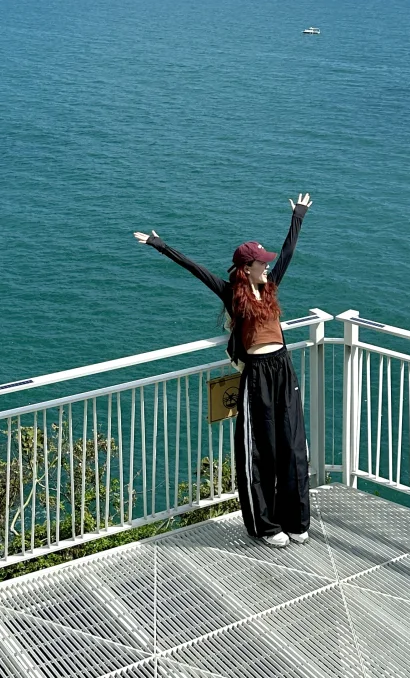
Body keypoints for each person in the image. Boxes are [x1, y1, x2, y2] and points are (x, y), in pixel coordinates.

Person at [133, 193, 313, 549]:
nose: (266, 266)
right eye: (260, 263)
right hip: (258, 374)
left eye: (265, 263)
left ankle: (295, 519)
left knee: (292, 446)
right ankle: (266, 525)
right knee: (259, 451)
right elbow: (193, 268)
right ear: (246, 268)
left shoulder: (271, 286)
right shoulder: (231, 293)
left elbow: (288, 252)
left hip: (283, 369)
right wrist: (159, 244)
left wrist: (298, 216)